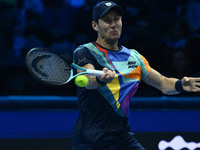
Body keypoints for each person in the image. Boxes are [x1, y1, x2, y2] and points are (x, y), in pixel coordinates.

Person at [72, 1, 200, 150]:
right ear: (95, 25)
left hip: (121, 138)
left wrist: (181, 85)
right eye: (107, 20)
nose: (113, 24)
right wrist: (101, 79)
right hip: (89, 140)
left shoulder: (134, 57)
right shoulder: (84, 51)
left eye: (117, 19)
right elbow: (88, 80)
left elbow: (164, 85)